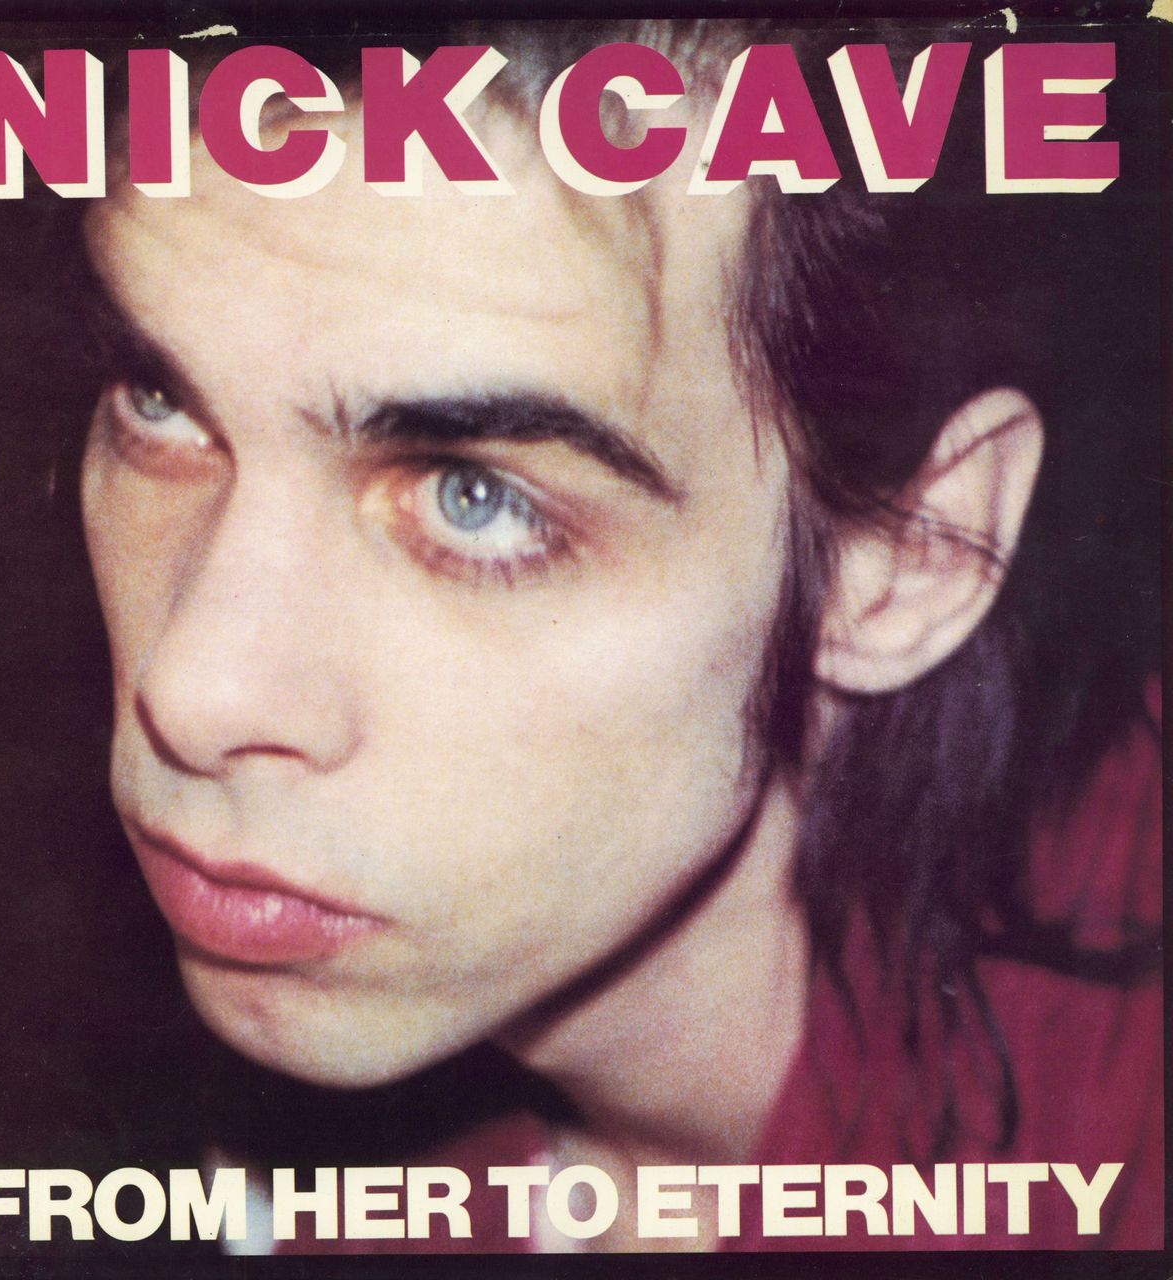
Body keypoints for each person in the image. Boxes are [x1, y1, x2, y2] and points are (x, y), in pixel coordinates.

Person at [73, 17, 1160, 1253]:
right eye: (158, 401)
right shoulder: (275, 1169)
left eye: (473, 496)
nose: (192, 689)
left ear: (910, 559)